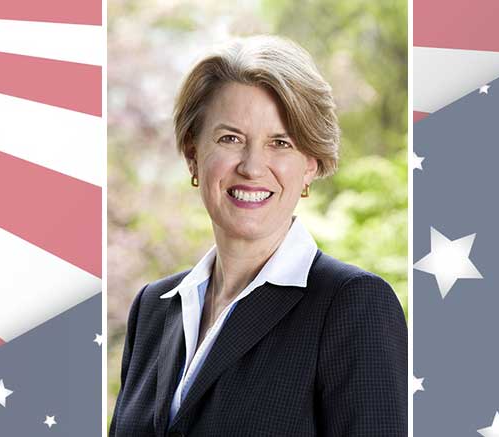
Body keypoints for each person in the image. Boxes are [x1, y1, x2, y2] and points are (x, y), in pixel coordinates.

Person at [110, 35, 407, 437]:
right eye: (230, 138)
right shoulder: (152, 310)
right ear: (193, 153)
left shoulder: (351, 305)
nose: (252, 166)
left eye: (280, 143)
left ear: (311, 165)